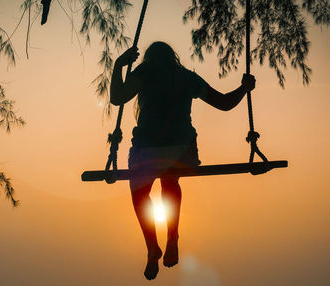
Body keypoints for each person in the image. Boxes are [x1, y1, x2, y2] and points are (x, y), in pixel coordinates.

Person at [110, 41, 256, 280]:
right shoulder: (186, 77)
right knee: (170, 182)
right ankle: (172, 238)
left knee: (139, 191)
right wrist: (244, 88)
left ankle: (152, 247)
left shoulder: (145, 72)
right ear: (173, 57)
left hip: (146, 151)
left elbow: (117, 98)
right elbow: (225, 103)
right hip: (181, 151)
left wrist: (118, 65)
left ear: (149, 58)